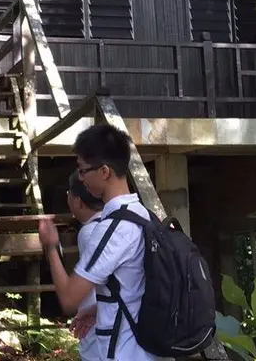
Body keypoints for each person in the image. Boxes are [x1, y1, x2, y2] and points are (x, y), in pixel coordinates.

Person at [38, 125, 172, 361]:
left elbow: (69, 299)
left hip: (126, 354)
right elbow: (138, 288)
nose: (81, 178)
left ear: (104, 172)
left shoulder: (112, 229)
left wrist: (50, 246)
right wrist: (99, 309)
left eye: (83, 171)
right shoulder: (145, 216)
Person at [66, 169, 104, 361]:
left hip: (99, 327)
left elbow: (88, 286)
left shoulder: (90, 232)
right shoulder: (112, 224)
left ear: (78, 200)